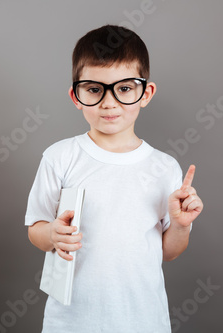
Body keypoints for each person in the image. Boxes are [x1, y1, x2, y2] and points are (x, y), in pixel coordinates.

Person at [24, 24, 204, 332]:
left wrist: (181, 225)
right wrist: (52, 234)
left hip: (143, 320)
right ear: (76, 95)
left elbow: (169, 251)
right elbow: (36, 228)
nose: (109, 103)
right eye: (94, 89)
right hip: (70, 321)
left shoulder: (164, 167)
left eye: (124, 88)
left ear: (145, 93)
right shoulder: (60, 157)